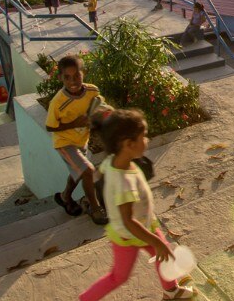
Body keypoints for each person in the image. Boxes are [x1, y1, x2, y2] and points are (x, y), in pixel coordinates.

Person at [79, 109, 195, 301]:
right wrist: (156, 242)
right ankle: (86, 299)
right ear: (128, 144)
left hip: (145, 225)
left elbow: (101, 174)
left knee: (164, 255)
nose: (147, 141)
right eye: (144, 137)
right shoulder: (124, 183)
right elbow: (128, 221)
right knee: (119, 276)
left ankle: (171, 291)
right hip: (128, 235)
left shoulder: (113, 160)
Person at [46, 55, 108, 225]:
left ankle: (65, 197)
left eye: (76, 76)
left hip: (82, 141)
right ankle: (95, 208)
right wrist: (74, 123)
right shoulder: (57, 102)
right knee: (87, 171)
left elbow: (99, 103)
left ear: (83, 73)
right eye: (67, 77)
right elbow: (50, 126)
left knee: (79, 171)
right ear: (60, 78)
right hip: (64, 143)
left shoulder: (92, 91)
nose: (73, 81)